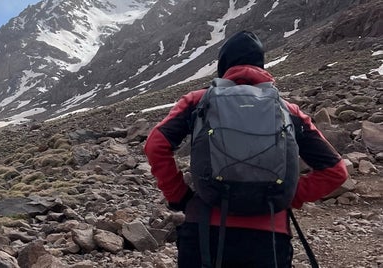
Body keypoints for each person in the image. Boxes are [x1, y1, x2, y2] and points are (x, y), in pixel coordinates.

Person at [143, 31, 348, 267]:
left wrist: (180, 195)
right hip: (269, 237)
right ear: (261, 65)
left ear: (224, 65)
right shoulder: (288, 111)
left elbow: (155, 145)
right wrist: (287, 195)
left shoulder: (198, 101)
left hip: (203, 231)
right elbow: (336, 171)